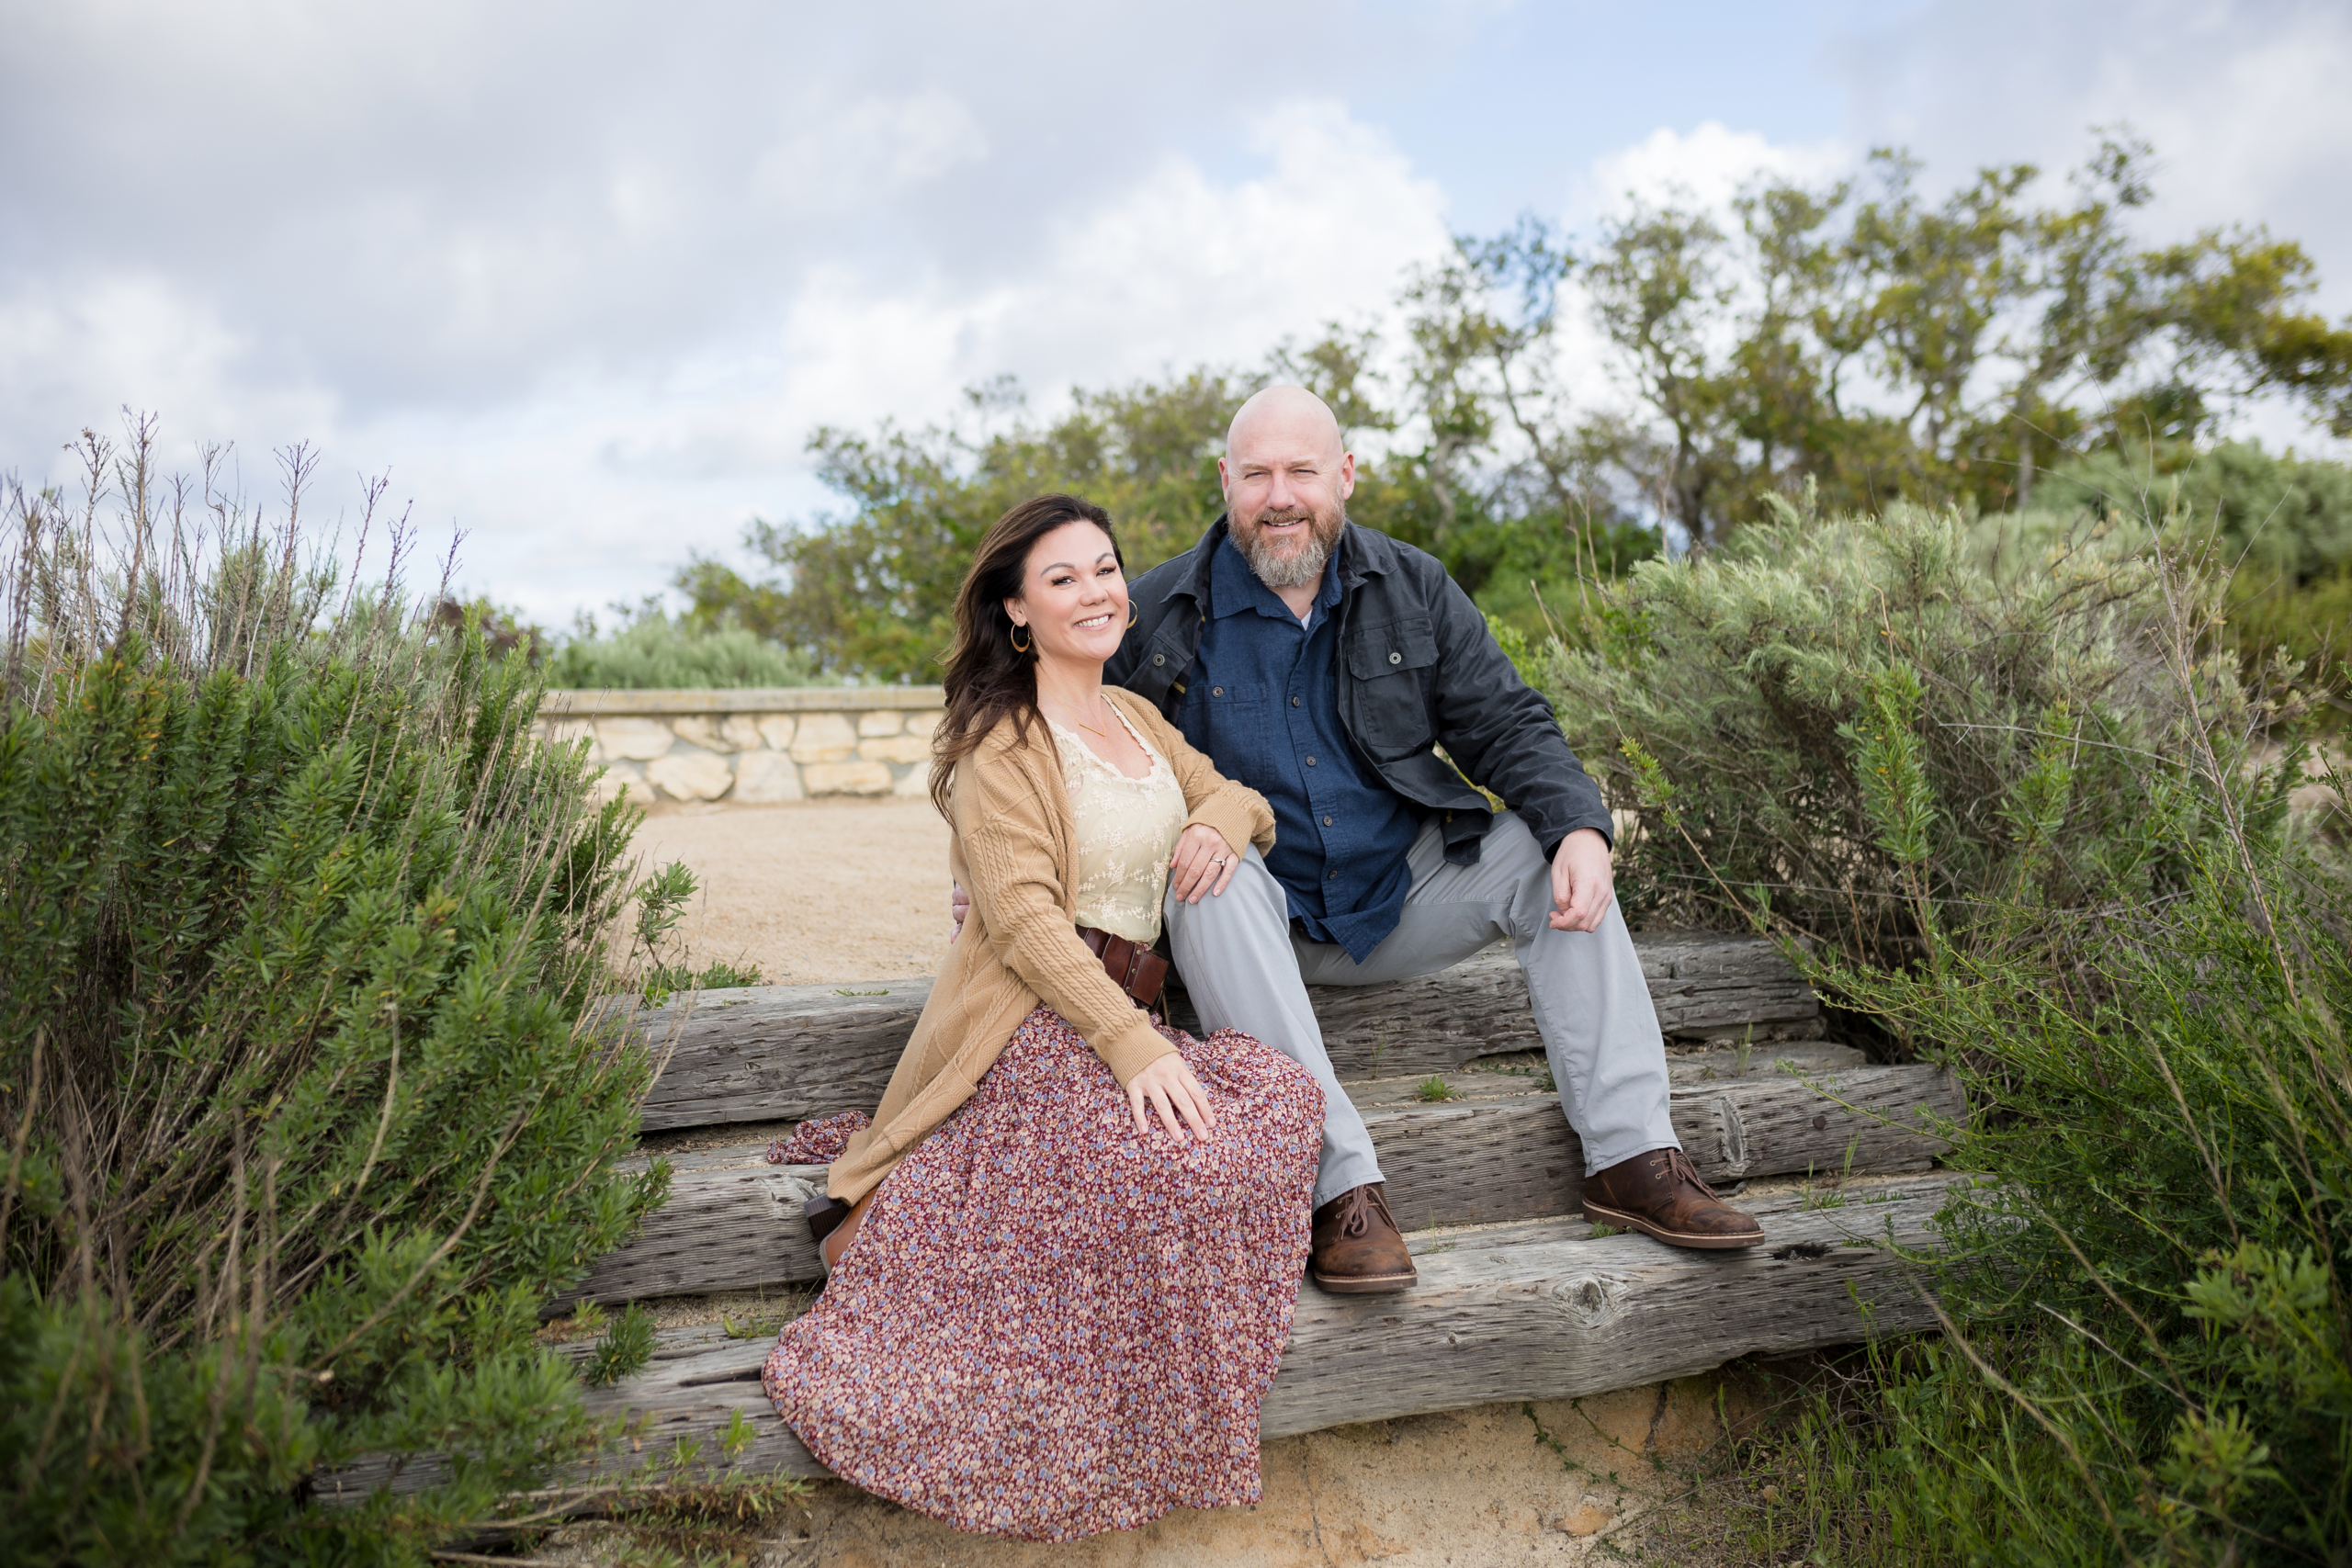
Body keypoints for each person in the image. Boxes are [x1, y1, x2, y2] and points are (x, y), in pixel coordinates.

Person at [955, 386, 1765, 1290]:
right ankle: (1337, 1189)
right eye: (1256, 474)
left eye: (1302, 470)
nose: (1280, 495)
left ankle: (1632, 1160)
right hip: (1253, 923)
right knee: (1206, 880)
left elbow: (1505, 720)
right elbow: (1060, 726)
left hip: (1399, 890)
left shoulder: (1411, 586)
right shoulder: (1156, 612)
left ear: (1345, 475)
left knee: (1543, 849)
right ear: (1226, 483)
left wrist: (1579, 825)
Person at [761, 493, 1324, 1543]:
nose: (1096, 592)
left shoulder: (1141, 719)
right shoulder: (1000, 743)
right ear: (1015, 612)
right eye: (1061, 579)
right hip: (1033, 1018)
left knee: (1283, 1103)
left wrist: (1215, 819)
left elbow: (1246, 798)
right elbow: (1019, 918)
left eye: (1104, 569)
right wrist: (1128, 1041)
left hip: (1130, 1015)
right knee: (1168, 1167)